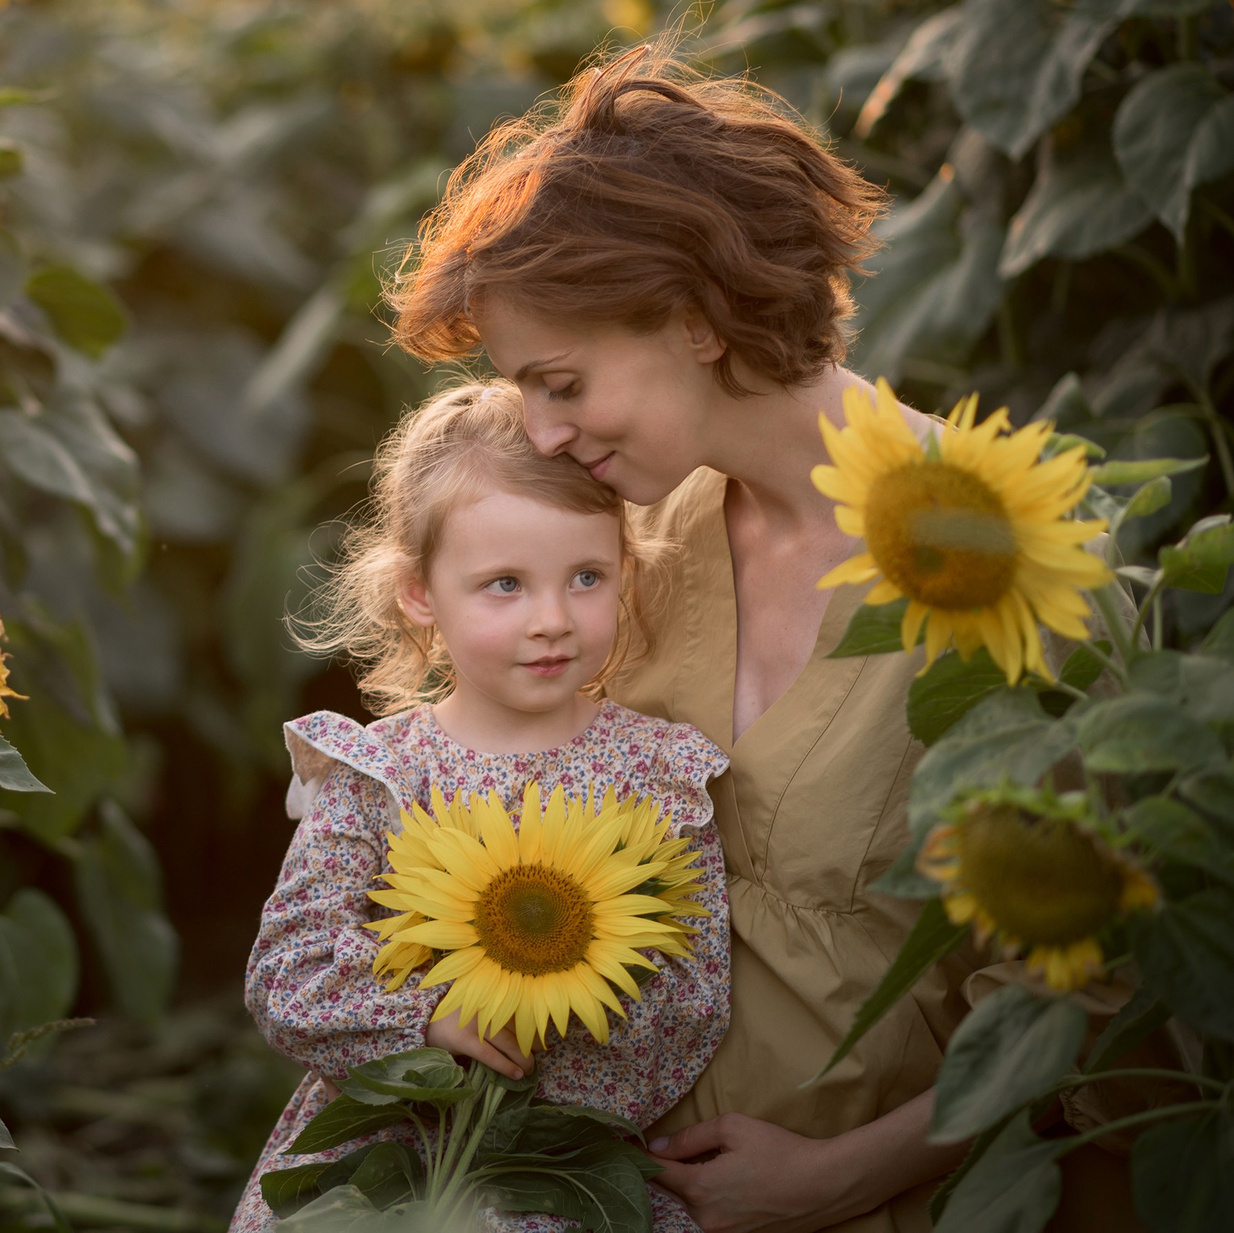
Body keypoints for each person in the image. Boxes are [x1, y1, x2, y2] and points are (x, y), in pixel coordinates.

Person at [389, 40, 1152, 1233]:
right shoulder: (637, 542)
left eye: (562, 382)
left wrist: (840, 1176)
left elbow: (1094, 997)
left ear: (692, 320)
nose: (538, 433)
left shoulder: (999, 554)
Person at [230, 380, 731, 1233]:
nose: (552, 620)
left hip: (560, 1168)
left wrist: (557, 1028)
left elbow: (694, 993)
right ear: (421, 593)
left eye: (585, 576)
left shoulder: (658, 774)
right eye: (504, 584)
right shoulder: (381, 772)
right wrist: (425, 1019)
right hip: (387, 1169)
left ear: (626, 572)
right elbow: (289, 966)